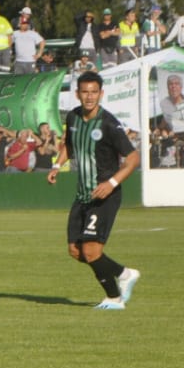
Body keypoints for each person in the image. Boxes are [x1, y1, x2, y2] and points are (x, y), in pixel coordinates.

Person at [47, 70, 140, 311]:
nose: (89, 97)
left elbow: (133, 158)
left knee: (91, 250)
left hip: (104, 195)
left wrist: (111, 183)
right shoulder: (73, 117)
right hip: (82, 195)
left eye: (94, 92)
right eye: (85, 92)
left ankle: (114, 298)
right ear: (77, 94)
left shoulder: (109, 123)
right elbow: (69, 145)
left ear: (101, 94)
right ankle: (124, 273)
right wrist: (57, 165)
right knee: (75, 251)